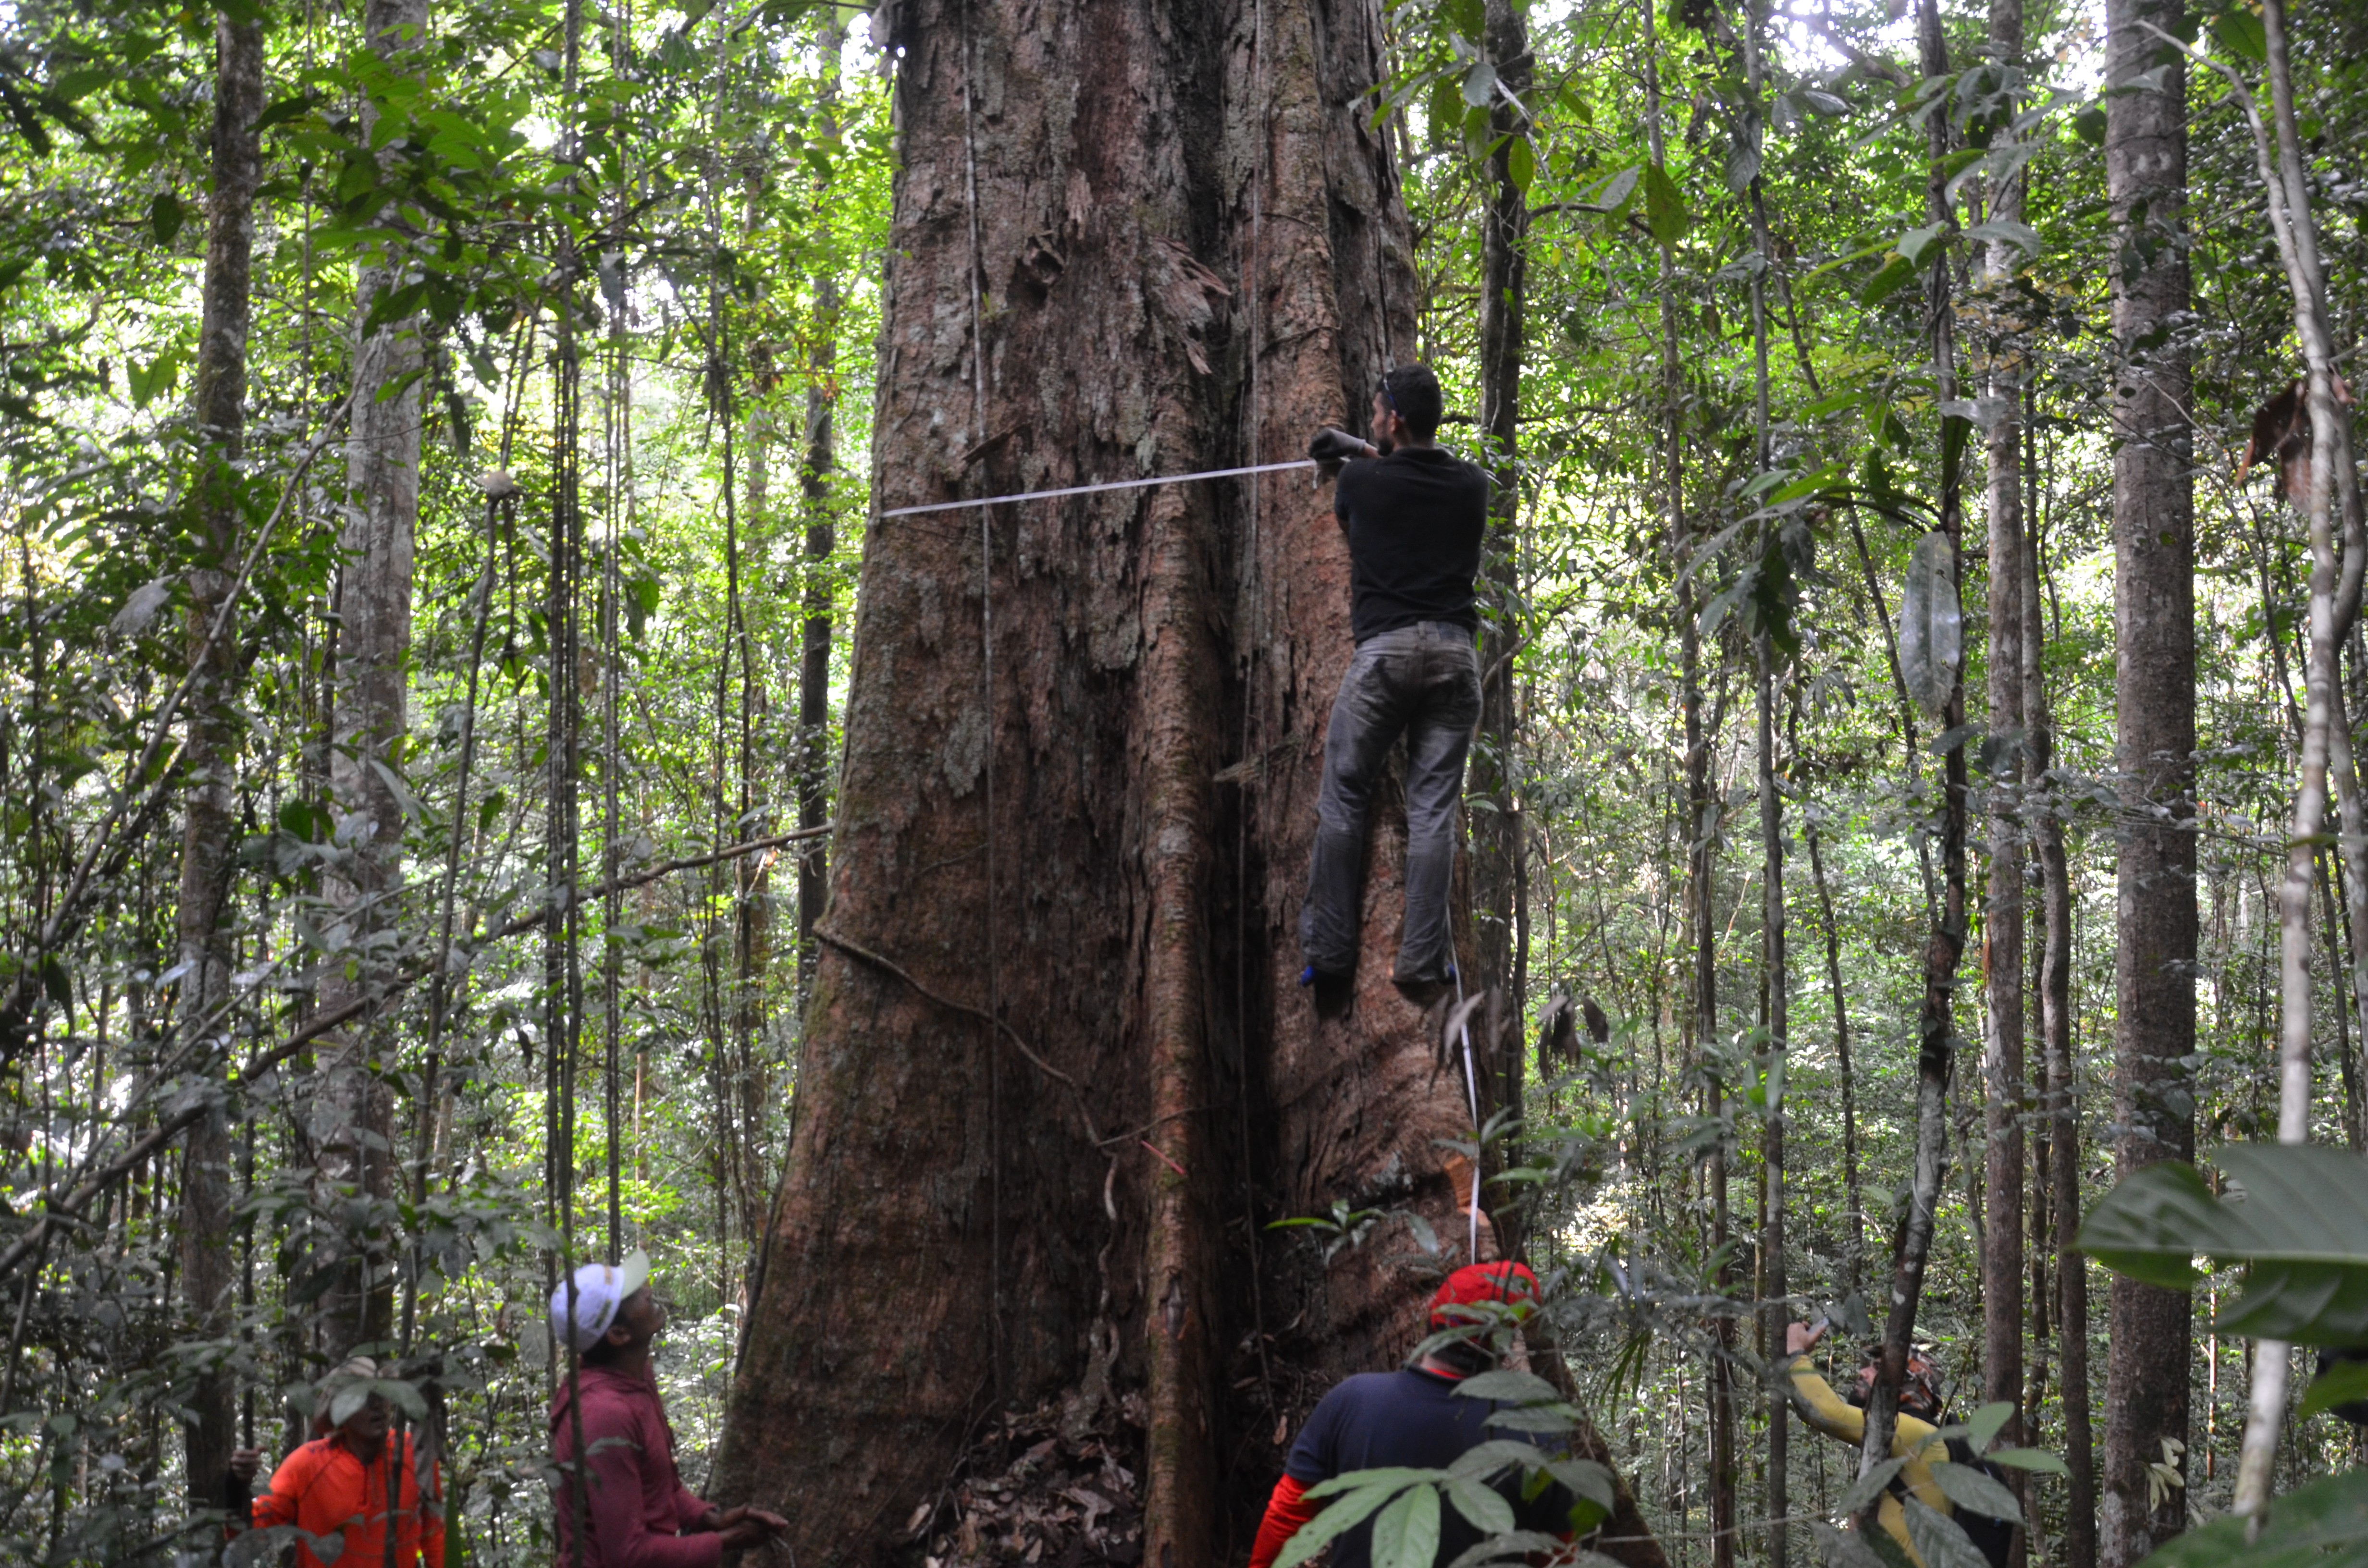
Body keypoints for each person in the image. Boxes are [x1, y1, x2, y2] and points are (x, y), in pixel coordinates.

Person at [1299, 364, 1489, 1005]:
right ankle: (1420, 963)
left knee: (1345, 794)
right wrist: (1360, 444)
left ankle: (1329, 956)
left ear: (1394, 419)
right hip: (1455, 662)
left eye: (1377, 411)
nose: (1373, 419)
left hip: (1385, 658)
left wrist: (1353, 451)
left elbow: (1364, 497)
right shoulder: (1472, 485)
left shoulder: (1359, 482)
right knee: (1433, 811)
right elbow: (1414, 473)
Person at [1247, 1262, 1577, 1568]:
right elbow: (1556, 1554)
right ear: (1504, 1342)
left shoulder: (1351, 1401)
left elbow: (1287, 1517)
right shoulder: (1538, 1435)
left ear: (1432, 1322)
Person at [548, 1250, 788, 1567]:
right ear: (619, 1334)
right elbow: (628, 1555)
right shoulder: (604, 1415)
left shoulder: (635, 1377)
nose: (647, 1291)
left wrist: (714, 1519)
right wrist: (728, 1541)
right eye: (634, 1295)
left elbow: (659, 1488)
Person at [1780, 1321, 2012, 1568]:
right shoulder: (1915, 1438)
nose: (1863, 1373)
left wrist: (1796, 1353)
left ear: (1908, 1384)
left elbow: (1825, 1413)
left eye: (1877, 1368)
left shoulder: (1914, 1433)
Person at [228, 1357, 444, 1568]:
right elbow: (250, 1533)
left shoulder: (412, 1453)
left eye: (381, 1394)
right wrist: (237, 1484)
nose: (377, 1405)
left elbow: (435, 1536)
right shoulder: (307, 1464)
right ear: (341, 1411)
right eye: (364, 1398)